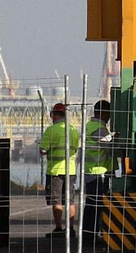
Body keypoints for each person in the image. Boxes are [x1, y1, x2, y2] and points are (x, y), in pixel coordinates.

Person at [39, 101, 79, 234]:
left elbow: (43, 150)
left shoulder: (51, 130)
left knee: (56, 201)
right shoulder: (73, 130)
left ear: (54, 115)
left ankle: (58, 228)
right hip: (71, 170)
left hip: (55, 171)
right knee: (70, 200)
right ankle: (71, 229)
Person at [81, 100, 113, 243]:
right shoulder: (99, 129)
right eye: (109, 114)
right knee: (97, 205)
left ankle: (88, 233)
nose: (109, 117)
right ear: (103, 113)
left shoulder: (89, 125)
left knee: (91, 205)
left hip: (90, 171)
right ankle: (92, 235)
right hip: (98, 173)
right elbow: (109, 147)